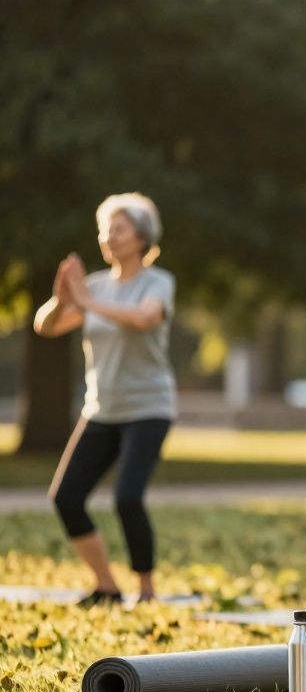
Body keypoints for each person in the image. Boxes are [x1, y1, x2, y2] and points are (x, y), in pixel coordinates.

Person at [34, 192, 176, 607]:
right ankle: (107, 586)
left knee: (128, 497)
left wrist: (86, 301)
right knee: (66, 497)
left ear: (141, 236)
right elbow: (46, 326)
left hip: (148, 408)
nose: (108, 236)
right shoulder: (92, 286)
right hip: (102, 410)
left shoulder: (157, 282)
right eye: (104, 229)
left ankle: (146, 591)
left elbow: (144, 318)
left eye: (119, 228)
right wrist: (64, 300)